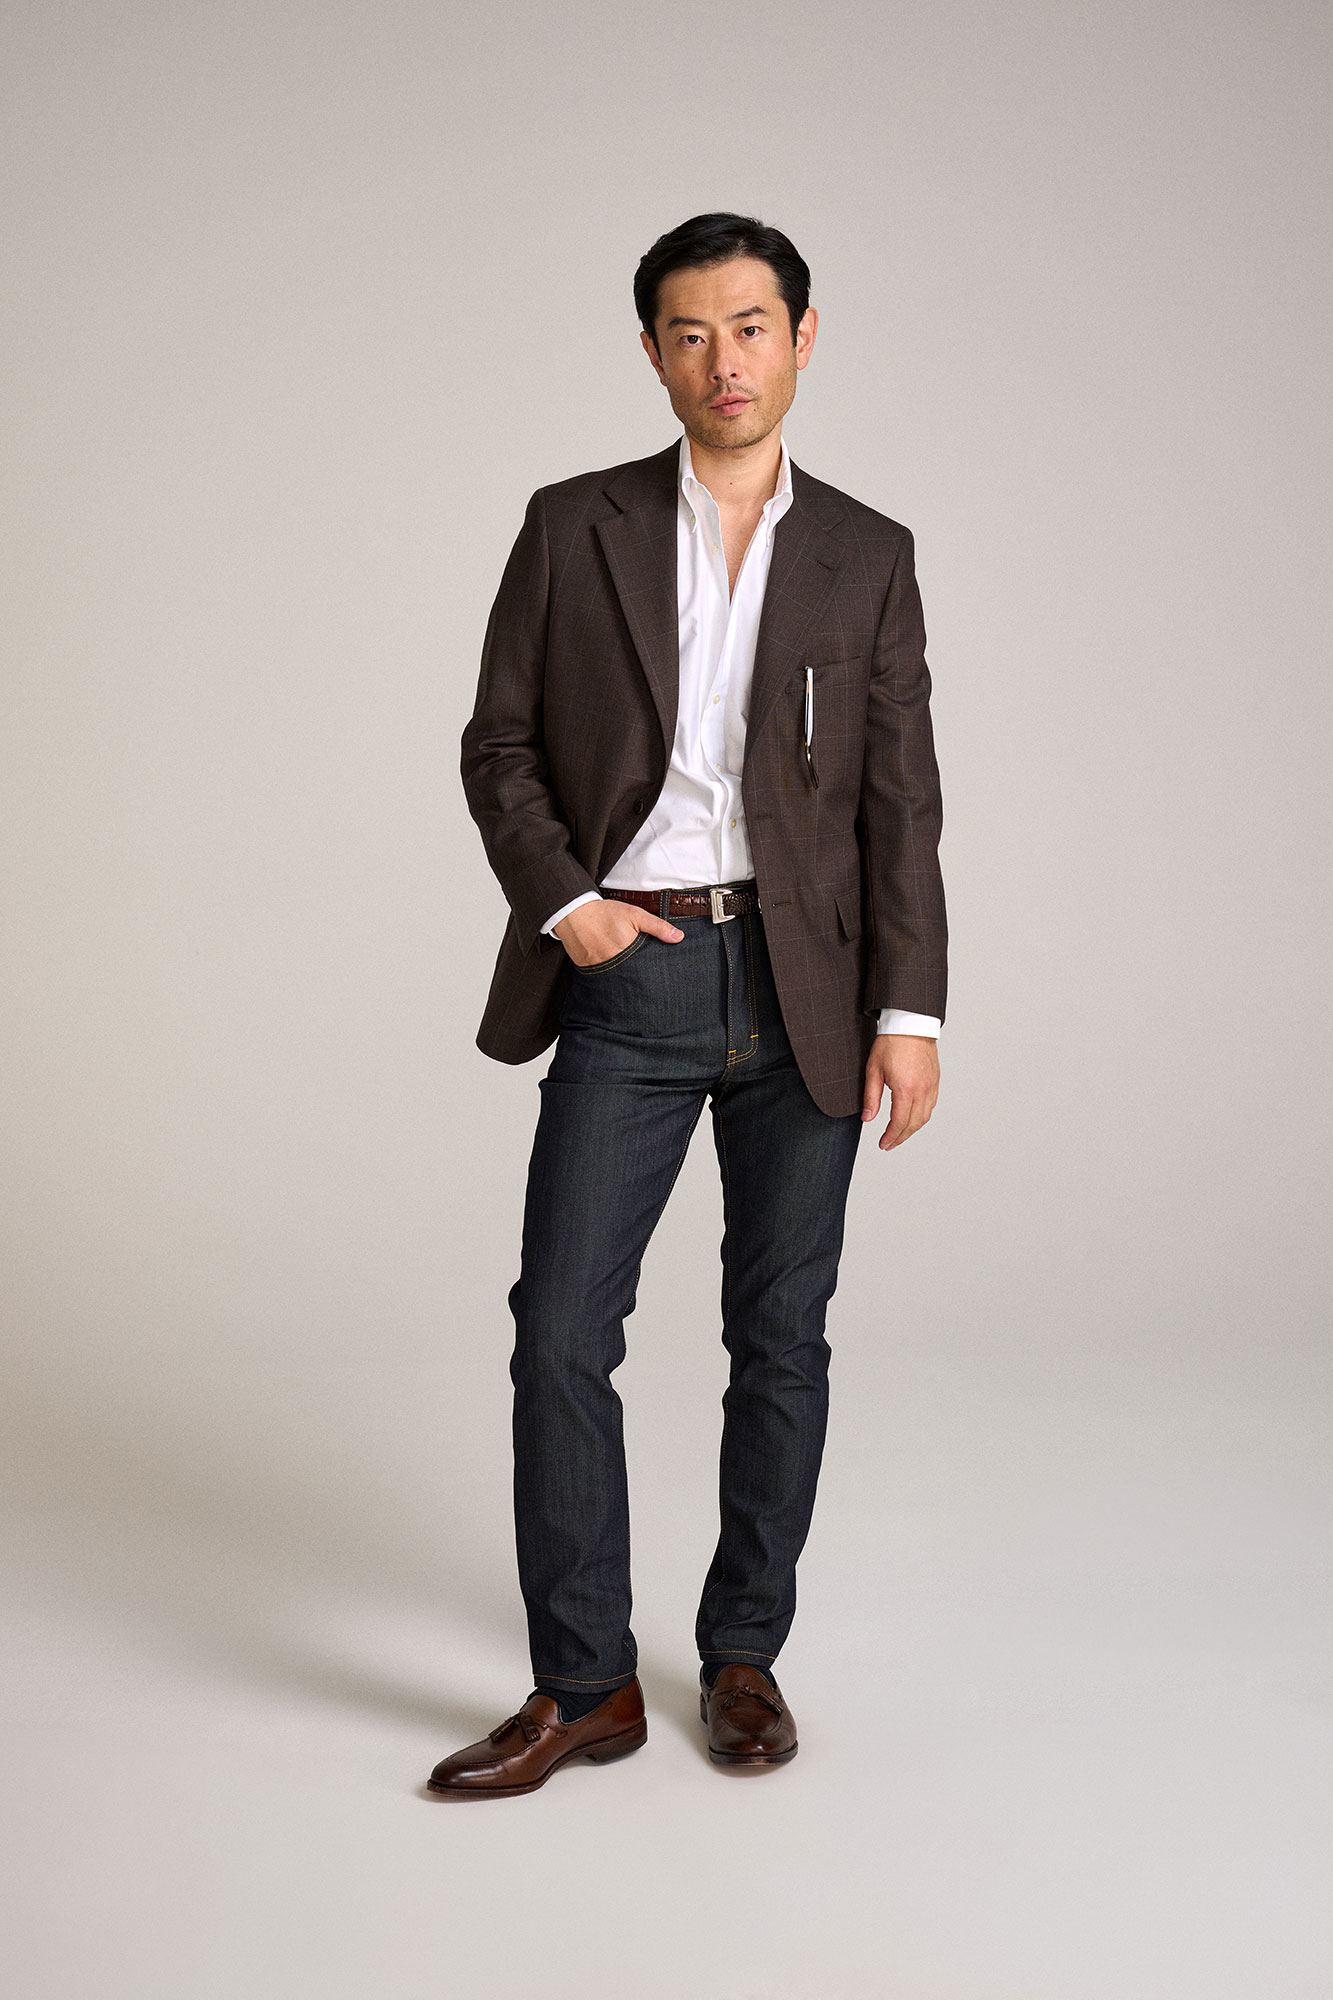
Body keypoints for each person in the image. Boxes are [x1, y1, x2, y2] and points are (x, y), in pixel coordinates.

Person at [428, 213, 948, 1797]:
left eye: (750, 326)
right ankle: (584, 1683)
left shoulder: (868, 552)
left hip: (809, 988)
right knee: (559, 1334)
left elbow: (899, 804)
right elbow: (498, 745)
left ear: (802, 337)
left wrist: (912, 1013)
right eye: (689, 332)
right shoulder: (570, 525)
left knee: (779, 1334)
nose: (724, 360)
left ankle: (741, 1660)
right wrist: (569, 906)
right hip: (632, 975)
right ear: (652, 353)